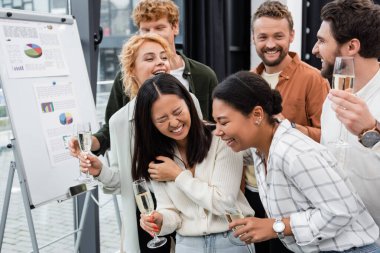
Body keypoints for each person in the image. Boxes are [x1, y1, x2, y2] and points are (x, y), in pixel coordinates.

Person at [212, 71, 379, 252]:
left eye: (224, 122)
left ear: (257, 114)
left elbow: (341, 212)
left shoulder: (295, 153)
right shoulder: (261, 149)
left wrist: (276, 226)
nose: (217, 131)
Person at [73, 33, 200, 253]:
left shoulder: (189, 102)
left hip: (192, 211)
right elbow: (122, 183)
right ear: (132, 70)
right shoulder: (120, 121)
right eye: (149, 58)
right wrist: (99, 170)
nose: (160, 62)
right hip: (147, 218)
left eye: (163, 57)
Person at [133, 73, 255, 253]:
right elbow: (173, 215)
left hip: (230, 240)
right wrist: (160, 220)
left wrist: (178, 175)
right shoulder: (156, 158)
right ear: (151, 124)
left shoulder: (221, 139)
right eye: (162, 119)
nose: (174, 122)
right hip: (187, 245)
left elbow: (224, 203)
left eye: (177, 112)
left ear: (188, 103)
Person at [249, 2, 330, 251]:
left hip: (294, 200)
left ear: (292, 36)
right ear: (253, 38)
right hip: (252, 192)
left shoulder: (313, 79)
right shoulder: (247, 80)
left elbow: (328, 140)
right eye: (263, 36)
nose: (270, 44)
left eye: (278, 36)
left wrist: (289, 127)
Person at [89, 0, 218, 156]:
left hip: (197, 163)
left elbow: (216, 128)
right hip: (147, 166)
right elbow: (112, 129)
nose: (152, 34)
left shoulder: (204, 76)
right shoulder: (126, 78)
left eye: (159, 27)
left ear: (175, 27)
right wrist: (90, 143)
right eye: (145, 29)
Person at [312, 0, 380, 245]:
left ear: (351, 46)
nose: (314, 50)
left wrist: (371, 131)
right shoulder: (331, 98)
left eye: (321, 41)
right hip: (335, 240)